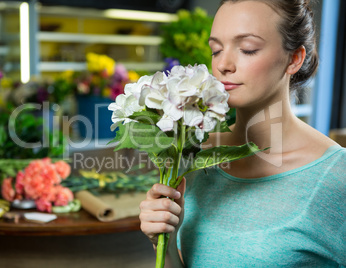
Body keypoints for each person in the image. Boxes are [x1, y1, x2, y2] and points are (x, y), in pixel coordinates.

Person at [139, 0, 346, 267]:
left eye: (248, 49)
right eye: (216, 50)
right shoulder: (191, 155)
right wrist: (163, 239)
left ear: (294, 58)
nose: (224, 64)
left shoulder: (336, 178)